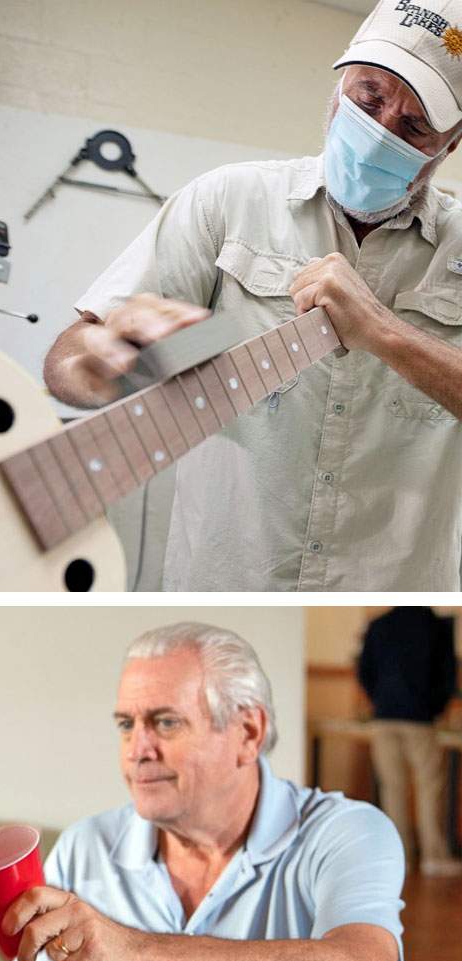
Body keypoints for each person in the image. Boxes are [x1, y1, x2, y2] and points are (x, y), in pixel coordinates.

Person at [43, 0, 462, 591]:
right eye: (369, 97)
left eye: (415, 126)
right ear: (339, 86)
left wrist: (383, 332)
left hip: (392, 590)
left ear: (450, 145)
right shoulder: (226, 202)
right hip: (225, 579)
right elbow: (69, 360)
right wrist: (100, 360)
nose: (380, 132)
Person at [0, 622, 406, 961]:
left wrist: (135, 950)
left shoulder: (345, 832)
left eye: (166, 722)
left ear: (249, 732)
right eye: (127, 725)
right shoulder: (84, 847)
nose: (138, 751)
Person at [359, 606, 460, 874]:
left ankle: (399, 855)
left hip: (383, 717)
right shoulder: (435, 626)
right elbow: (448, 674)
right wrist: (435, 708)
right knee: (430, 788)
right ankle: (433, 856)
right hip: (420, 719)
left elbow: (364, 670)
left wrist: (379, 701)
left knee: (393, 788)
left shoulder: (379, 625)